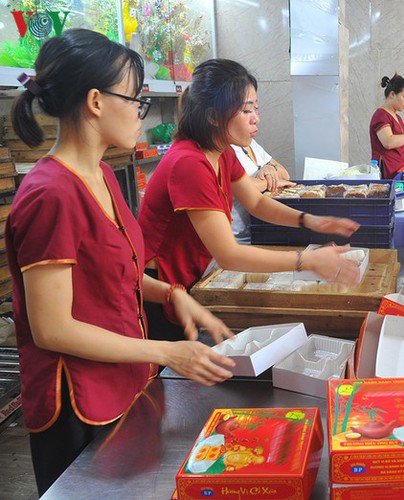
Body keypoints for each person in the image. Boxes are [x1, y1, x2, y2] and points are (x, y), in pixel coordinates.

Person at [7, 29, 236, 496]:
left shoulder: (105, 177)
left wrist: (171, 294)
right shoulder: (51, 193)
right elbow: (53, 327)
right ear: (95, 101)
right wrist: (167, 352)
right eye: (135, 99)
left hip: (123, 381)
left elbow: (115, 272)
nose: (139, 112)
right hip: (77, 401)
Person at [138, 59, 361, 341]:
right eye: (246, 110)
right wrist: (309, 260)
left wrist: (310, 220)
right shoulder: (189, 162)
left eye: (256, 108)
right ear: (213, 116)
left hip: (185, 279)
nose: (256, 118)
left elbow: (256, 202)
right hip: (158, 287)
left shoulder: (222, 151)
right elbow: (229, 255)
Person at [232, 133, 292, 244]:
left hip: (264, 230)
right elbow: (239, 186)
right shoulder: (221, 148)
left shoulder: (251, 143)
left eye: (254, 113)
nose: (255, 119)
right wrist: (269, 181)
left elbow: (285, 174)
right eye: (246, 114)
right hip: (239, 240)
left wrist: (269, 167)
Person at [369, 73, 404, 178]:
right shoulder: (381, 115)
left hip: (398, 169)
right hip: (387, 170)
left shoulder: (397, 118)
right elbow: (388, 142)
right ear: (392, 94)